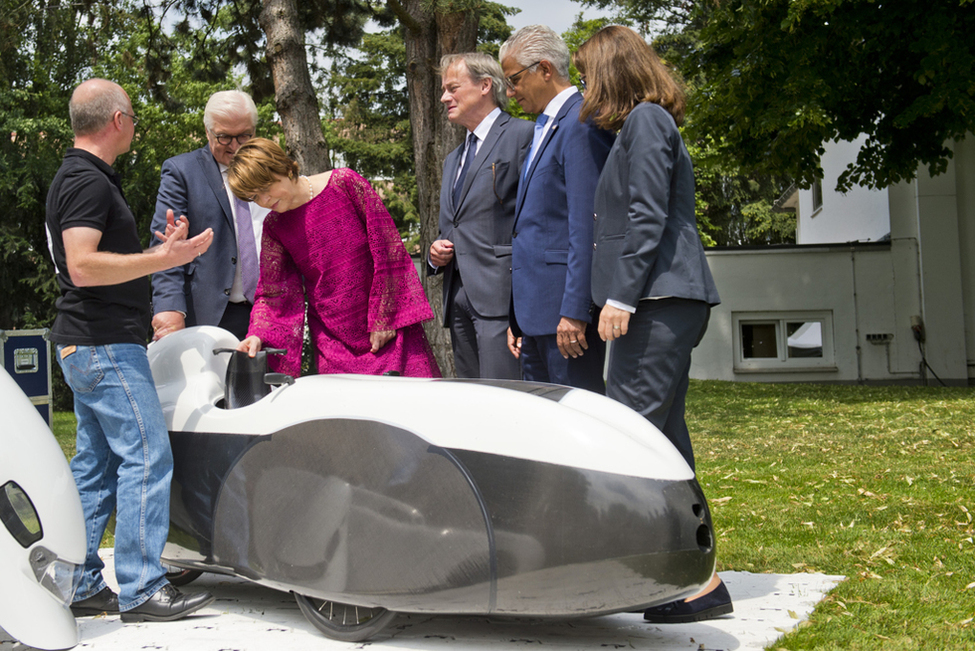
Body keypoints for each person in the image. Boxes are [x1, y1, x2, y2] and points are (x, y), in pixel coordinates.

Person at [574, 25, 731, 623]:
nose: (586, 86)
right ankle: (696, 578)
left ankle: (666, 574)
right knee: (664, 441)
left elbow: (647, 216)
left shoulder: (646, 121)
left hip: (658, 298)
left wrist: (621, 296)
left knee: (633, 438)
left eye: (589, 73)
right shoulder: (644, 124)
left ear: (611, 71)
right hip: (664, 299)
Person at [46, 78, 216, 622]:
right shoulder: (86, 181)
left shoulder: (79, 176)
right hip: (104, 345)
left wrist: (159, 250)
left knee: (94, 466)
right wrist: (163, 260)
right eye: (134, 115)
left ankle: (77, 583)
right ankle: (143, 589)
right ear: (117, 120)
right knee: (146, 455)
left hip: (88, 344)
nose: (136, 124)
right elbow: (83, 264)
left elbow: (94, 261)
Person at [228, 138, 440, 378]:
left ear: (283, 168)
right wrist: (257, 334)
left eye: (266, 188)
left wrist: (386, 317)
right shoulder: (275, 226)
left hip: (388, 330)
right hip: (333, 345)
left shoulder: (344, 183)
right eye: (255, 197)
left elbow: (389, 249)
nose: (264, 201)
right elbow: (274, 294)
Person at [498, 25, 614, 392]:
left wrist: (576, 309)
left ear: (544, 69)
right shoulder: (544, 127)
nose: (509, 91)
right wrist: (518, 316)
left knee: (577, 427)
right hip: (535, 317)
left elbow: (586, 223)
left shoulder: (580, 124)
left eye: (514, 79)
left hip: (566, 319)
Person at [430, 52, 533, 379]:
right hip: (457, 299)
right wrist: (435, 254)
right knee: (474, 406)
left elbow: (534, 220)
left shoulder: (523, 136)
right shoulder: (452, 159)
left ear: (486, 85)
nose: (444, 97)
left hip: (503, 302)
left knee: (506, 405)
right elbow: (455, 224)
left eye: (453, 88)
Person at [150, 90, 270, 340]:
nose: (235, 146)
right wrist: (169, 310)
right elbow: (166, 248)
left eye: (245, 136)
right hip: (207, 316)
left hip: (266, 316)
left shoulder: (271, 171)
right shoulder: (182, 172)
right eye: (225, 137)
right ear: (208, 132)